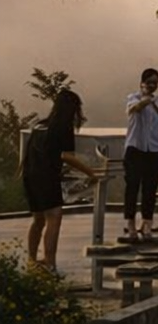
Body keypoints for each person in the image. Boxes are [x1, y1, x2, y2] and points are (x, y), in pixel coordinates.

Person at [23, 89, 102, 273]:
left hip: (31, 175)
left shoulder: (40, 125)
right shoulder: (63, 127)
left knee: (38, 220)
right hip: (46, 178)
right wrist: (90, 172)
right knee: (54, 217)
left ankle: (32, 260)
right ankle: (50, 263)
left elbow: (39, 153)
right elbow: (66, 156)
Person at [123, 67, 158, 241]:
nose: (152, 85)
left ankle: (147, 223)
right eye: (149, 82)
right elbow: (132, 110)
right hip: (135, 149)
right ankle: (130, 224)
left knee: (150, 189)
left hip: (154, 150)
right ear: (142, 82)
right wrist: (145, 99)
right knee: (132, 187)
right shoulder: (132, 98)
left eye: (155, 83)